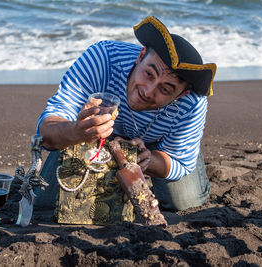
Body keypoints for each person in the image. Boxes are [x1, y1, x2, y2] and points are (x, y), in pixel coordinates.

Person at [34, 16, 216, 211]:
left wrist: (149, 159)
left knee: (185, 202)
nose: (148, 91)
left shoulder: (193, 102)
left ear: (182, 93)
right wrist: (76, 131)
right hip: (88, 134)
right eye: (148, 74)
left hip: (158, 146)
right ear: (141, 56)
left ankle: (185, 147)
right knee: (44, 202)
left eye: (165, 89)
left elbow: (179, 162)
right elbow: (45, 131)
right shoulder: (104, 58)